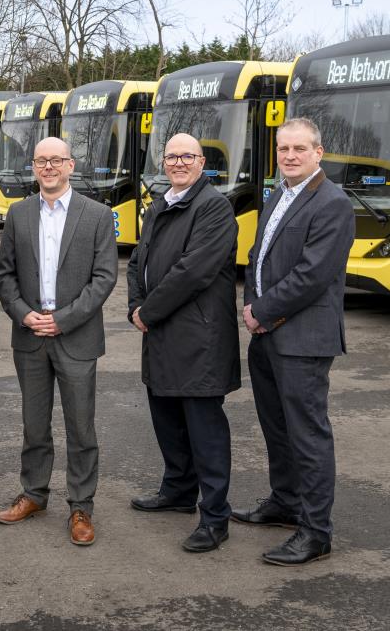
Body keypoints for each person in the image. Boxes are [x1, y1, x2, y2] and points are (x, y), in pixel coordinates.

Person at [235, 117, 354, 565]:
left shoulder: (332, 203)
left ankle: (316, 531)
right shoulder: (277, 195)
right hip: (267, 334)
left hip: (303, 338)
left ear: (318, 153)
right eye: (283, 149)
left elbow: (312, 274)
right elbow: (258, 256)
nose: (289, 156)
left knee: (308, 435)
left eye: (299, 149)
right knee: (275, 426)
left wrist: (261, 312)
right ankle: (285, 502)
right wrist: (252, 304)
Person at [0, 136, 117, 547]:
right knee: (34, 424)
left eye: (56, 160)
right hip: (29, 335)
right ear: (33, 167)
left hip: (76, 337)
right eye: (41, 161)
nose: (48, 167)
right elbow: (5, 276)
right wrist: (23, 313)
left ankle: (81, 505)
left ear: (70, 165)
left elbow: (104, 278)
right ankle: (34, 494)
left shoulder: (97, 215)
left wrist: (61, 320)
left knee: (81, 426)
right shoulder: (18, 214)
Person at [127, 133, 240, 553]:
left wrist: (147, 312)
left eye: (186, 156)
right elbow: (138, 260)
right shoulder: (160, 204)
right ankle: (177, 491)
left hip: (199, 339)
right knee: (167, 419)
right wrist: (135, 306)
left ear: (202, 162)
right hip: (160, 336)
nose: (177, 163)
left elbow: (193, 272)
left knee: (204, 431)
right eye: (171, 156)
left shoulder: (214, 208)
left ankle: (215, 517)